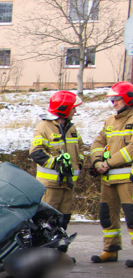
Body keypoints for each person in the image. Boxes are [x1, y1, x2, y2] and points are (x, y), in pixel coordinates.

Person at [90, 81, 133, 264]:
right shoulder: (109, 121)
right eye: (112, 99)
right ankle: (110, 249)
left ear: (128, 99)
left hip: (128, 178)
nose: (113, 103)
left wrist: (108, 163)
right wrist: (97, 161)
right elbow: (98, 143)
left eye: (117, 99)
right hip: (108, 178)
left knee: (131, 216)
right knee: (107, 214)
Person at [29, 90, 85, 231]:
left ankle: (60, 251)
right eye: (73, 108)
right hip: (50, 186)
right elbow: (36, 153)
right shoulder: (44, 127)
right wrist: (56, 164)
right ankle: (45, 252)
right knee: (47, 222)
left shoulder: (71, 128)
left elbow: (80, 147)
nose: (75, 111)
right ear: (64, 109)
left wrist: (80, 163)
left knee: (64, 220)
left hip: (68, 184)